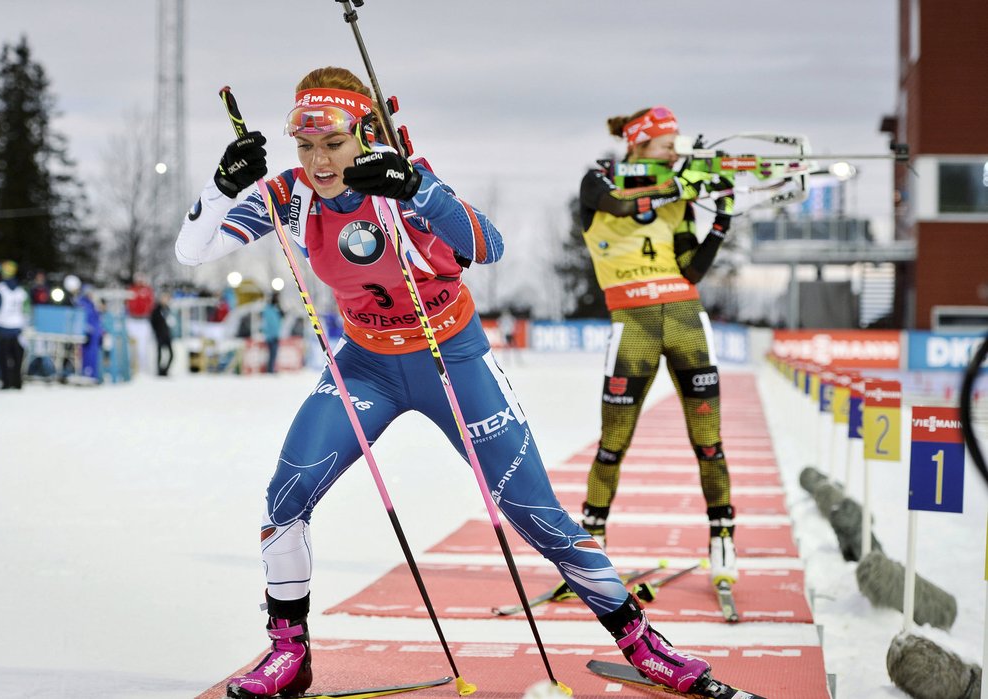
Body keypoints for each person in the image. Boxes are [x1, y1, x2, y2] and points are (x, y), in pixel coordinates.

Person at [176, 67, 717, 699]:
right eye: (306, 145)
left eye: (333, 142)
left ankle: (644, 646)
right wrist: (219, 191)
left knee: (535, 513)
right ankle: (288, 653)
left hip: (450, 359)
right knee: (284, 500)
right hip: (367, 365)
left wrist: (419, 191)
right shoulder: (293, 196)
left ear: (366, 133)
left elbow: (488, 245)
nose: (319, 160)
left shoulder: (400, 174)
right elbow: (194, 251)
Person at [575, 105, 738, 589]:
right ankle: (591, 545)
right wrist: (681, 184)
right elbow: (621, 206)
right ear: (638, 145)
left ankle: (723, 540)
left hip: (686, 319)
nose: (676, 150)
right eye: (667, 143)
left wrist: (721, 223)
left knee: (709, 442)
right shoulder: (599, 179)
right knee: (612, 444)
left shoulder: (677, 199)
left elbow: (690, 269)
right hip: (633, 322)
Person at [0, 260, 28, 389]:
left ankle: (6, 382)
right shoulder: (21, 290)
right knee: (17, 358)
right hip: (17, 328)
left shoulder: (0, 289)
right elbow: (26, 309)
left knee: (3, 358)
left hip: (3, 328)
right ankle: (17, 382)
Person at [125, 273, 155, 374]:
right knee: (130, 345)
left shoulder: (147, 290)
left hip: (143, 321)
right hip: (132, 320)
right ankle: (131, 367)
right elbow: (127, 303)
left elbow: (151, 304)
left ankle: (143, 369)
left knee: (143, 346)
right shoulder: (131, 290)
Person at [78, 284, 104, 382]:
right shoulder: (82, 304)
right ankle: (86, 373)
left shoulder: (93, 304)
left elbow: (98, 319)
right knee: (86, 355)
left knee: (94, 356)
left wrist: (101, 332)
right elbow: (82, 319)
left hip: (95, 336)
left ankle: (93, 375)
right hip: (88, 335)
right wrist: (86, 330)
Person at [150, 291, 173, 377]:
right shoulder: (156, 310)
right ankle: (159, 371)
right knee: (159, 353)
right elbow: (153, 322)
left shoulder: (168, 309)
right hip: (159, 334)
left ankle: (165, 370)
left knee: (171, 354)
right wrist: (156, 331)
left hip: (167, 334)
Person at [261, 292, 284, 374]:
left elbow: (282, 316)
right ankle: (270, 369)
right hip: (271, 335)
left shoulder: (275, 309)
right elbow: (269, 323)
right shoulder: (269, 310)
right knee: (272, 353)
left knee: (273, 353)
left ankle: (271, 368)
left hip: (274, 334)